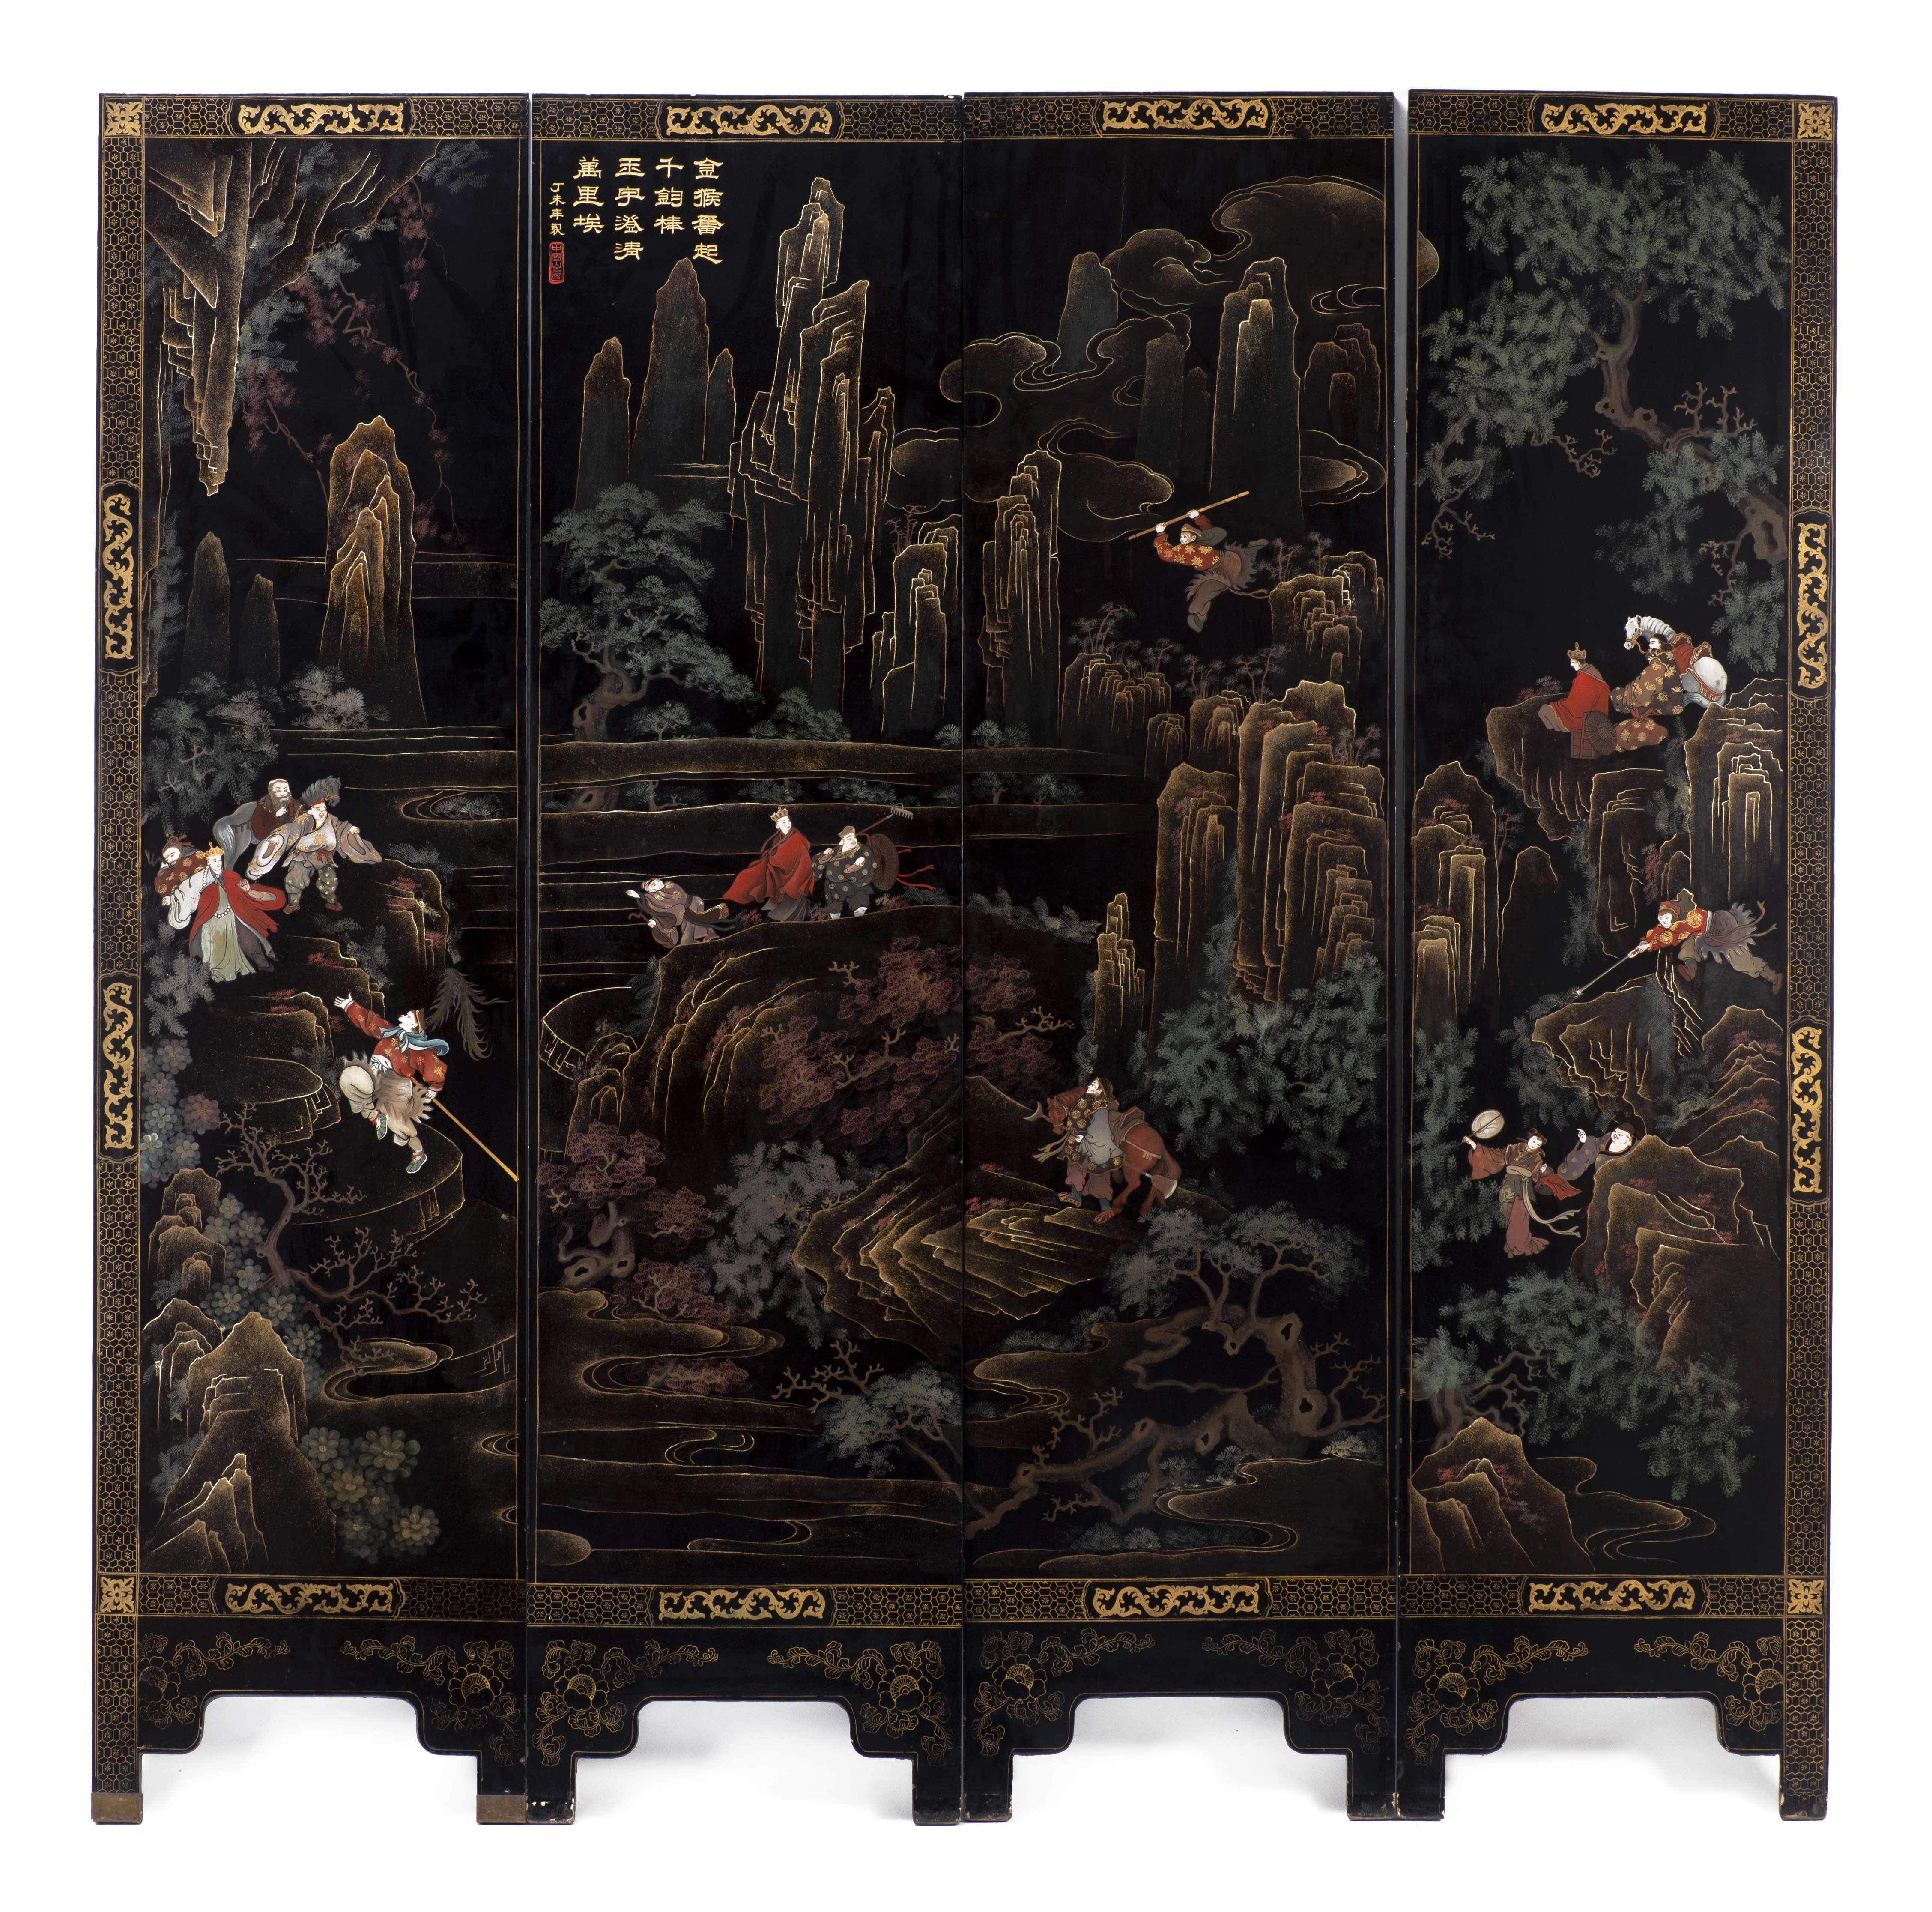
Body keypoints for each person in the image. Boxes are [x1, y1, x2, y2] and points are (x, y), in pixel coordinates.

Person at [333, 996, 449, 1174]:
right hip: (377, 1074)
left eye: (407, 1017)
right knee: (351, 1078)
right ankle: (374, 1115)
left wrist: (435, 1087)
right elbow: (372, 1021)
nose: (402, 1017)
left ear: (414, 1025)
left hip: (397, 1088)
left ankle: (419, 1153)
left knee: (400, 1126)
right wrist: (350, 1006)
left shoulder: (420, 1050)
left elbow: (433, 1067)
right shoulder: (391, 1032)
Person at [1629, 889, 1782, 992]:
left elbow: (1671, 936)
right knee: (1689, 948)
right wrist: (1644, 944)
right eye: (1661, 919)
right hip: (1707, 934)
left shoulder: (1688, 920)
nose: (1663, 921)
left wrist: (1650, 945)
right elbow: (1659, 931)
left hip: (1724, 927)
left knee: (1741, 962)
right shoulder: (1677, 923)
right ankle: (1690, 970)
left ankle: (1774, 977)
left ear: (1674, 916)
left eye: (1666, 918)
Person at [1462, 1127, 1579, 1257]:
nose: (1535, 1145)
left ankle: (1520, 1245)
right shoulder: (1513, 1148)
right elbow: (1494, 1156)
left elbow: (1537, 1177)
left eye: (1538, 1144)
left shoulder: (1537, 1159)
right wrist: (1472, 1144)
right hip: (1509, 1185)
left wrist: (1544, 1171)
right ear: (1529, 1138)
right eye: (1534, 1141)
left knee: (1520, 1216)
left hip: (1523, 1188)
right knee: (1505, 1214)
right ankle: (1508, 1244)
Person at [1152, 511, 1266, 633]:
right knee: (1207, 590)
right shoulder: (1186, 548)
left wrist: (1162, 533)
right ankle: (1198, 618)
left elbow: (1168, 554)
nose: (1182, 540)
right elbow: (1169, 554)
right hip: (1223, 568)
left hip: (1226, 566)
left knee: (1241, 566)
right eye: (1181, 537)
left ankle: (1251, 550)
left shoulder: (1192, 546)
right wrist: (1162, 533)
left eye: (1185, 537)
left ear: (1193, 538)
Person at [185, 847, 284, 983]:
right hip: (213, 922)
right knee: (216, 951)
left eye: (219, 860)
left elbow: (242, 894)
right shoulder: (201, 881)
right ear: (209, 863)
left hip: (235, 915)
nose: (218, 863)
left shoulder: (231, 876)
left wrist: (247, 890)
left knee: (249, 942)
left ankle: (264, 966)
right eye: (214, 861)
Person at [722, 807, 815, 921]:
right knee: (748, 876)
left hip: (796, 874)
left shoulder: (797, 838)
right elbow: (777, 853)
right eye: (784, 822)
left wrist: (772, 858)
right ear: (778, 825)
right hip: (779, 871)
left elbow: (791, 858)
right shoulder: (779, 837)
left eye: (789, 821)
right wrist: (770, 857)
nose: (788, 824)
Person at [213, 777, 298, 866]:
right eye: (279, 791)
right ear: (272, 793)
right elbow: (261, 833)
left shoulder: (291, 804)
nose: (283, 794)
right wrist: (275, 815)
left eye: (286, 790)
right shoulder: (262, 807)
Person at [626, 877, 729, 950]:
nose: (658, 884)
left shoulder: (671, 886)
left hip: (691, 902)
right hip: (682, 911)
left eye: (658, 881)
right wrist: (639, 896)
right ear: (651, 892)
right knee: (688, 916)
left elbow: (680, 896)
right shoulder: (655, 898)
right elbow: (659, 911)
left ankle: (704, 934)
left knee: (697, 909)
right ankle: (695, 938)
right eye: (654, 886)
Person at [816, 825, 880, 919]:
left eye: (854, 838)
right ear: (843, 841)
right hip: (834, 885)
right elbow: (820, 863)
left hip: (853, 882)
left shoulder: (862, 849)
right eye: (849, 839)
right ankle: (835, 917)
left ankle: (859, 915)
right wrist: (825, 855)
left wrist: (862, 859)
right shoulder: (836, 851)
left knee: (858, 896)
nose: (853, 840)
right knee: (834, 899)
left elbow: (868, 857)